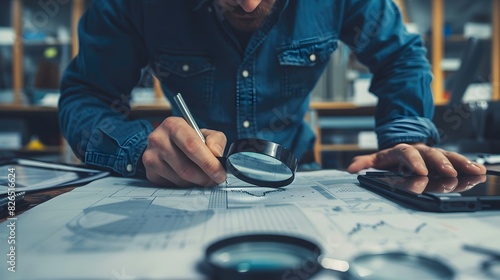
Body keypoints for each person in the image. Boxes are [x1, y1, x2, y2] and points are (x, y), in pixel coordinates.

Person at [59, 0, 486, 187]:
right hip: (180, 189)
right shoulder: (134, 5)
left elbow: (401, 57)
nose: (248, 4)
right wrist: (136, 150)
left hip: (300, 177)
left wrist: (403, 140)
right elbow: (86, 96)